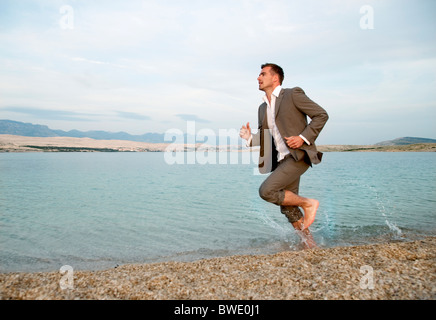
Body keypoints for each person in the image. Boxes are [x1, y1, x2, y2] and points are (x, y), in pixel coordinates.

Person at [240, 63, 328, 248]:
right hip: (281, 161)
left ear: (275, 78)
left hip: (298, 155)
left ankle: (309, 203)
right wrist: (249, 139)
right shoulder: (262, 108)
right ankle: (310, 244)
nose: (258, 77)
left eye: (262, 74)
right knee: (288, 207)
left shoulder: (292, 95)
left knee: (267, 191)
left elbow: (321, 115)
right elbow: (265, 138)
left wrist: (303, 138)